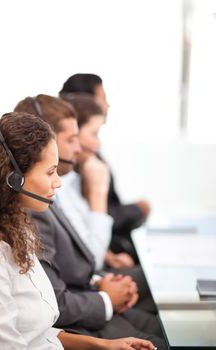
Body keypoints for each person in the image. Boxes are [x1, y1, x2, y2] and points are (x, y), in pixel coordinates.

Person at [0, 112, 156, 350]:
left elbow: (38, 334)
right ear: (13, 179)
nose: (58, 181)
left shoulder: (16, 231)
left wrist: (103, 345)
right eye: (50, 172)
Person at [14, 96, 167, 350]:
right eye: (71, 140)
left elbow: (74, 260)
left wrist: (100, 284)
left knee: (164, 330)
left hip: (91, 293)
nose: (82, 148)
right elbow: (53, 302)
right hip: (81, 318)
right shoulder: (35, 207)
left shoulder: (53, 194)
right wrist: (106, 296)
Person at [59, 73, 151, 257]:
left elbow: (82, 234)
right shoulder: (64, 181)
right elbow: (92, 254)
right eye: (103, 98)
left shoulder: (82, 166)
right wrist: (136, 210)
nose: (107, 105)